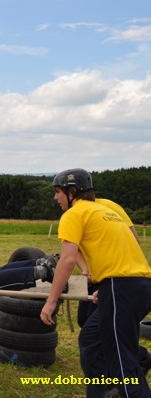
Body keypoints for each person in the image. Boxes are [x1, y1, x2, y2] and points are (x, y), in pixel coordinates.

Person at [39, 168, 151, 398]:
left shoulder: (74, 214)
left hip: (122, 288)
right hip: (137, 285)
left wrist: (51, 301)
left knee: (122, 364)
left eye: (57, 192)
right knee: (91, 339)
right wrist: (106, 284)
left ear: (72, 192)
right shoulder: (108, 209)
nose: (55, 198)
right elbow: (134, 240)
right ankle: (102, 392)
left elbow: (68, 259)